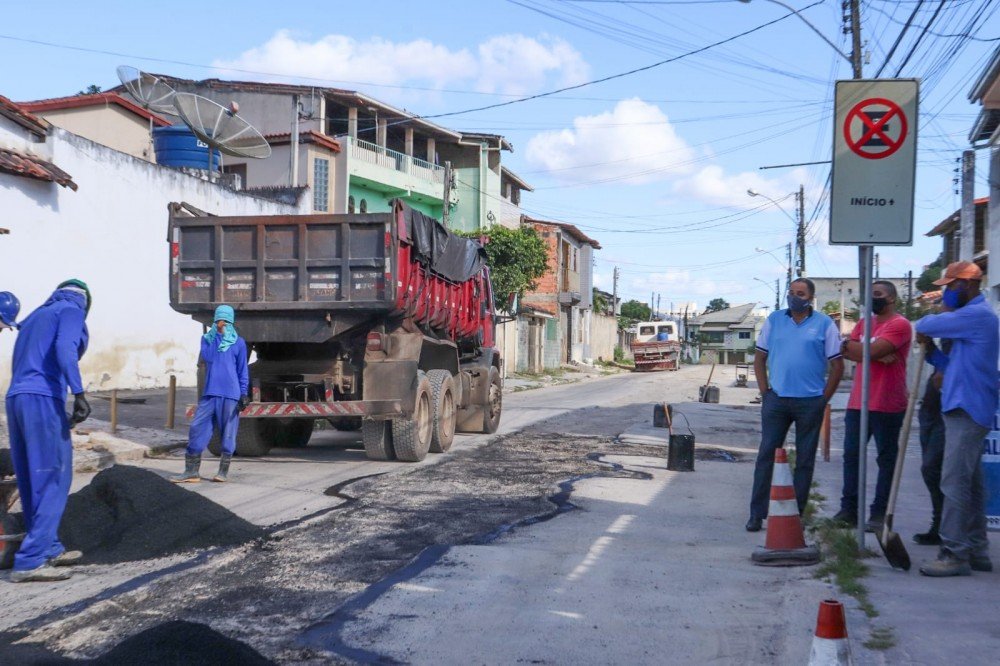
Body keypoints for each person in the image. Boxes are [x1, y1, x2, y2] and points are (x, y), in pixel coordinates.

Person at [915, 262, 998, 577]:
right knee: (972, 485)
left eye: (951, 286)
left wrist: (933, 320)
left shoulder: (976, 315)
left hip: (968, 408)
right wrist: (932, 353)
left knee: (952, 482)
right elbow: (953, 365)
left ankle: (954, 553)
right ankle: (977, 550)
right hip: (965, 405)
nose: (947, 292)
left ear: (968, 285)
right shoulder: (972, 320)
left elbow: (926, 323)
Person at [6, 280, 92, 583]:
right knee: (54, 476)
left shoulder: (34, 317)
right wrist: (78, 392)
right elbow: (64, 349)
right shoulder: (70, 311)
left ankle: (48, 547)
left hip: (16, 399)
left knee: (32, 477)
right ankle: (30, 561)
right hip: (42, 398)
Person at [748, 278, 845, 532]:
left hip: (810, 402)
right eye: (791, 292)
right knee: (766, 454)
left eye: (800, 293)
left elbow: (837, 365)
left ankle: (796, 514)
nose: (794, 297)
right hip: (777, 401)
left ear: (810, 298)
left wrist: (824, 398)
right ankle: (756, 514)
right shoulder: (775, 320)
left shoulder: (824, 324)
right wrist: (764, 391)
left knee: (804, 460)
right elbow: (759, 359)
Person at [833, 281, 912, 532]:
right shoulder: (864, 323)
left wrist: (863, 350)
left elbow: (870, 350)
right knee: (851, 456)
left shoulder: (899, 324)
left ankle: (879, 514)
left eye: (878, 294)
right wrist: (860, 350)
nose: (872, 298)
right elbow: (846, 349)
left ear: (891, 298)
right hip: (858, 402)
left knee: (886, 459)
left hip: (888, 402)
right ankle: (849, 510)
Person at [172, 305, 249, 484]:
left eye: (225, 321)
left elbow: (242, 370)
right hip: (210, 394)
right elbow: (209, 357)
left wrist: (244, 393)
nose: (222, 324)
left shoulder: (239, 343)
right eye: (218, 321)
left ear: (231, 322)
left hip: (231, 394)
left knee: (228, 432)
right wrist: (218, 335)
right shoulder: (207, 340)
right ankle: (191, 471)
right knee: (197, 428)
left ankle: (222, 471)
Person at [913, 341, 948, 545]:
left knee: (932, 468)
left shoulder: (965, 326)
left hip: (949, 412)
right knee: (931, 469)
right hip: (930, 410)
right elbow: (935, 358)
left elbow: (954, 363)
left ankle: (943, 526)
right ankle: (939, 525)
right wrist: (929, 346)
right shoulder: (946, 326)